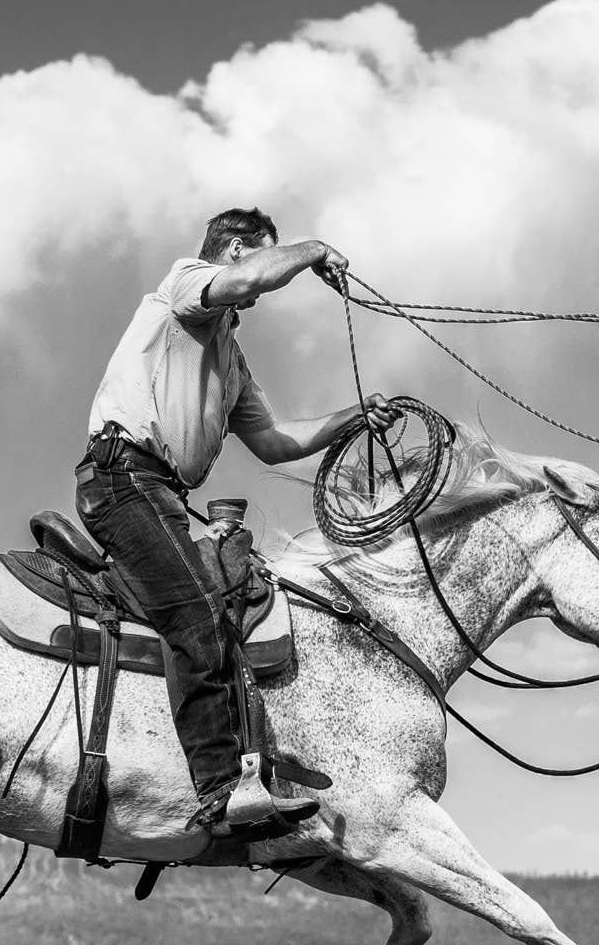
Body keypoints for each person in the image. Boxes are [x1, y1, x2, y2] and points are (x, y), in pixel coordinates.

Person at [76, 207, 402, 837]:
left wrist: (355, 416)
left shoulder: (231, 359)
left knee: (222, 603)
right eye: (260, 255)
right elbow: (248, 281)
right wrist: (314, 250)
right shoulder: (185, 284)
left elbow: (275, 442)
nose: (257, 297)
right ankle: (222, 790)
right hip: (124, 478)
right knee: (197, 613)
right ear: (233, 250)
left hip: (158, 491)